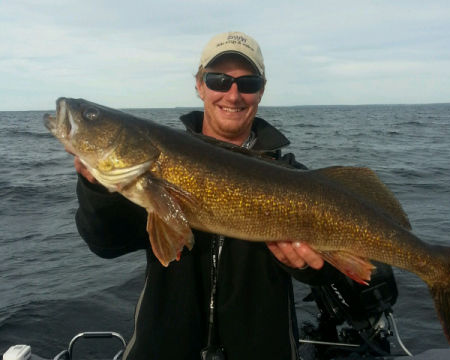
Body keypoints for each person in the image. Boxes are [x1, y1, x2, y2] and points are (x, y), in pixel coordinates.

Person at [73, 31, 343, 360]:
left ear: (261, 91)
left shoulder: (297, 178)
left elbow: (333, 271)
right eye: (218, 80)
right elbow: (105, 243)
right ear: (199, 85)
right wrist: (97, 189)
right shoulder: (150, 169)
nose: (233, 95)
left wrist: (311, 268)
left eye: (247, 83)